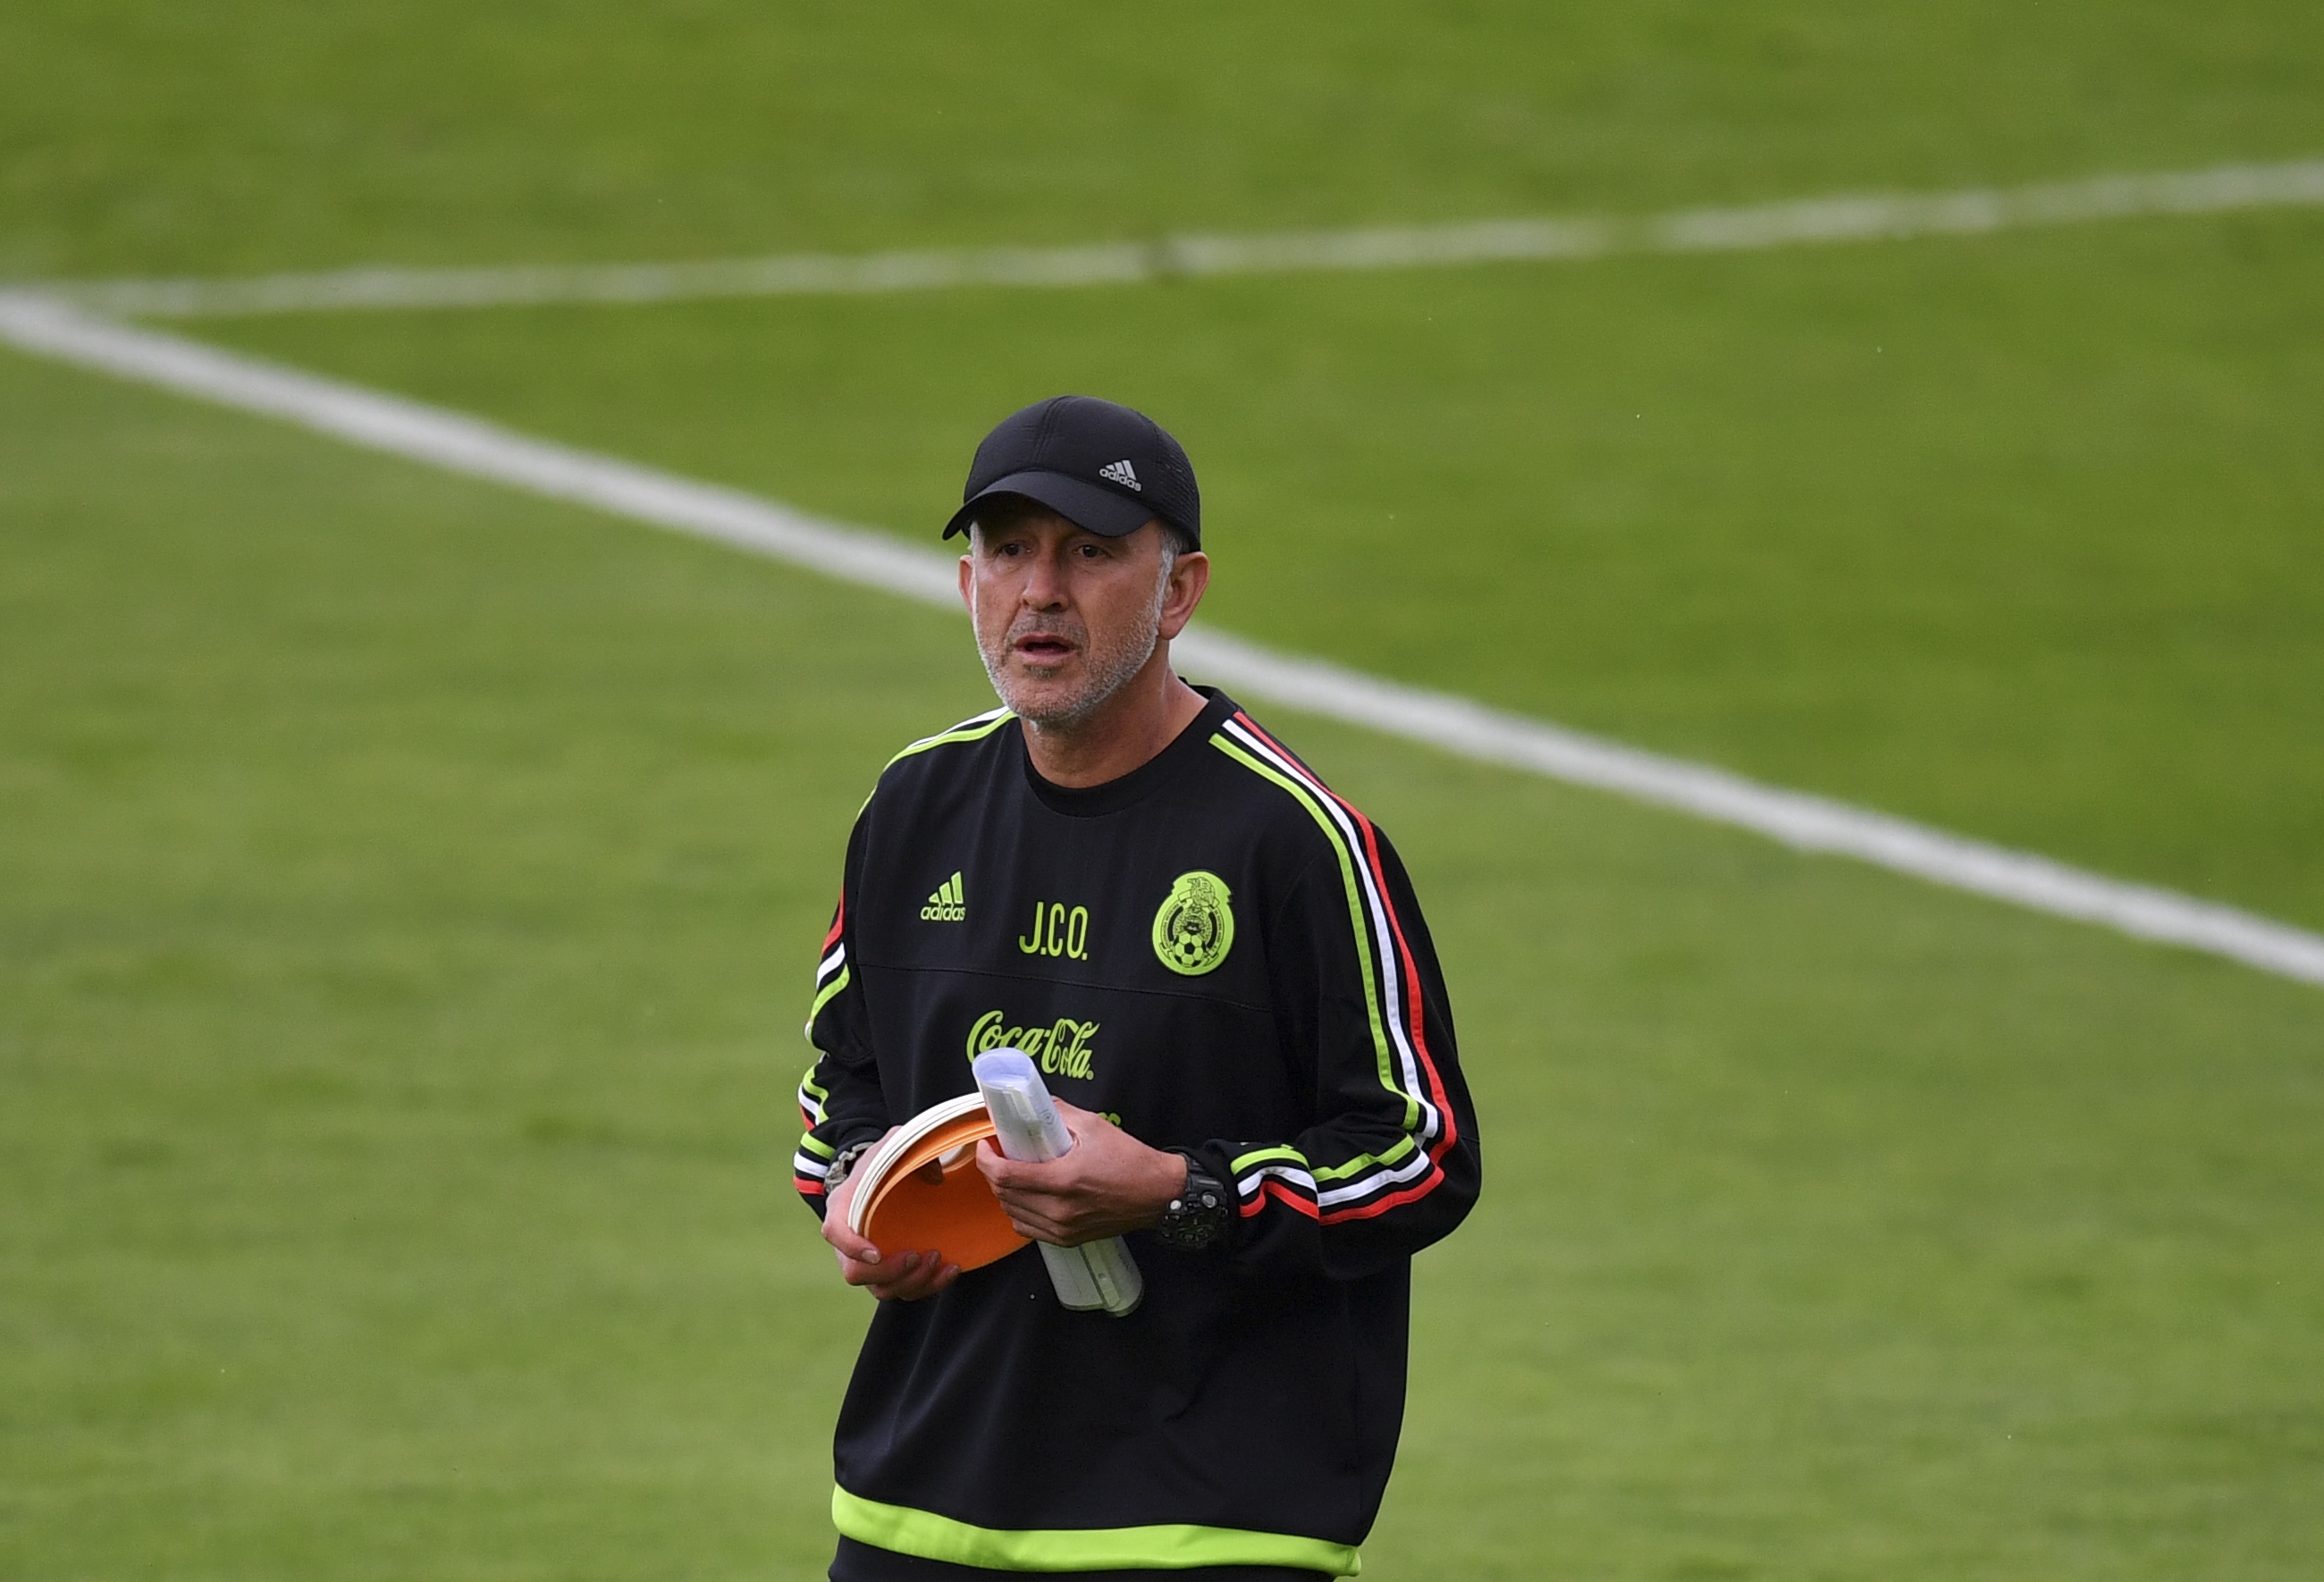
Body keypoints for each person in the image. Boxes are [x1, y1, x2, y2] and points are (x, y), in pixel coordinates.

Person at [792, 394, 1482, 1581]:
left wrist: (1179, 1189)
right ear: (968, 584)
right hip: (921, 1509)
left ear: (1180, 590)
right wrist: (860, 1192)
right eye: (1006, 550)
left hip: (1203, 1520)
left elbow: (1420, 1154)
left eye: (1091, 552)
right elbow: (839, 1086)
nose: (1039, 591)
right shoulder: (911, 808)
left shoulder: (1295, 841)